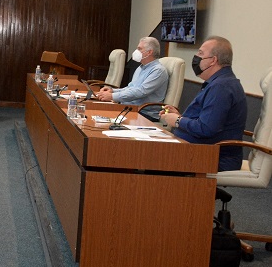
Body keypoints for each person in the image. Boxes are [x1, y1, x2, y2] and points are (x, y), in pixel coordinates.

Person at [161, 36, 247, 172]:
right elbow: (207, 120)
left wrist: (178, 121)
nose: (195, 57)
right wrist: (180, 117)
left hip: (213, 156)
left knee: (151, 156)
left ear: (213, 60)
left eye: (200, 53)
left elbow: (206, 129)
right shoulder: (218, 83)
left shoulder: (221, 87)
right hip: (201, 150)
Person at [97, 37, 168, 120]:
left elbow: (141, 92)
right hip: (129, 108)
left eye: (139, 49)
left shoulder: (158, 70)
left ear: (149, 52)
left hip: (143, 113)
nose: (136, 51)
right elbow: (131, 88)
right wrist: (112, 91)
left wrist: (113, 96)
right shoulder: (140, 68)